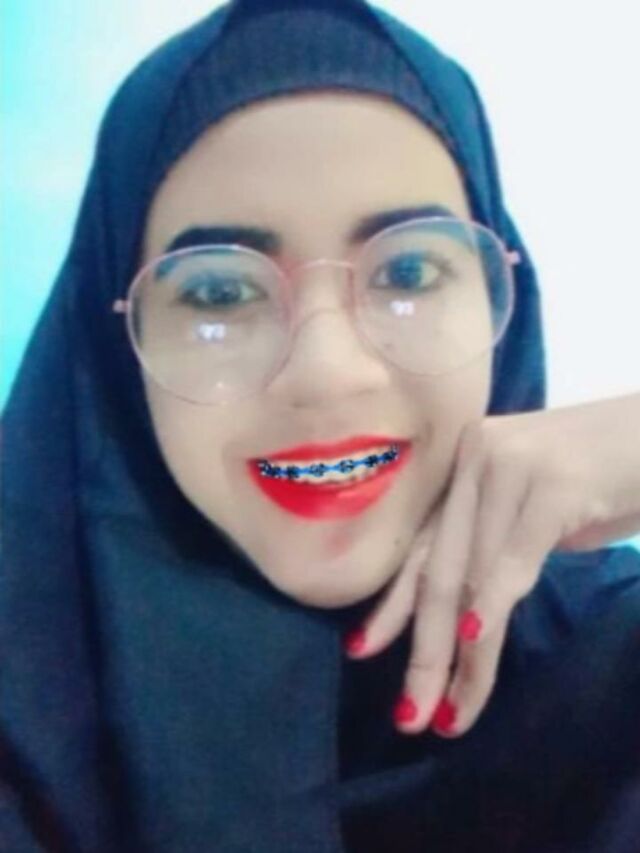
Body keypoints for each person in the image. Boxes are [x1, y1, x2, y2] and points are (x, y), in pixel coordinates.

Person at [2, 0, 640, 851]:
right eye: (219, 292)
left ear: (500, 297)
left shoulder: (614, 651)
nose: (327, 372)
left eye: (408, 272)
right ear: (116, 343)